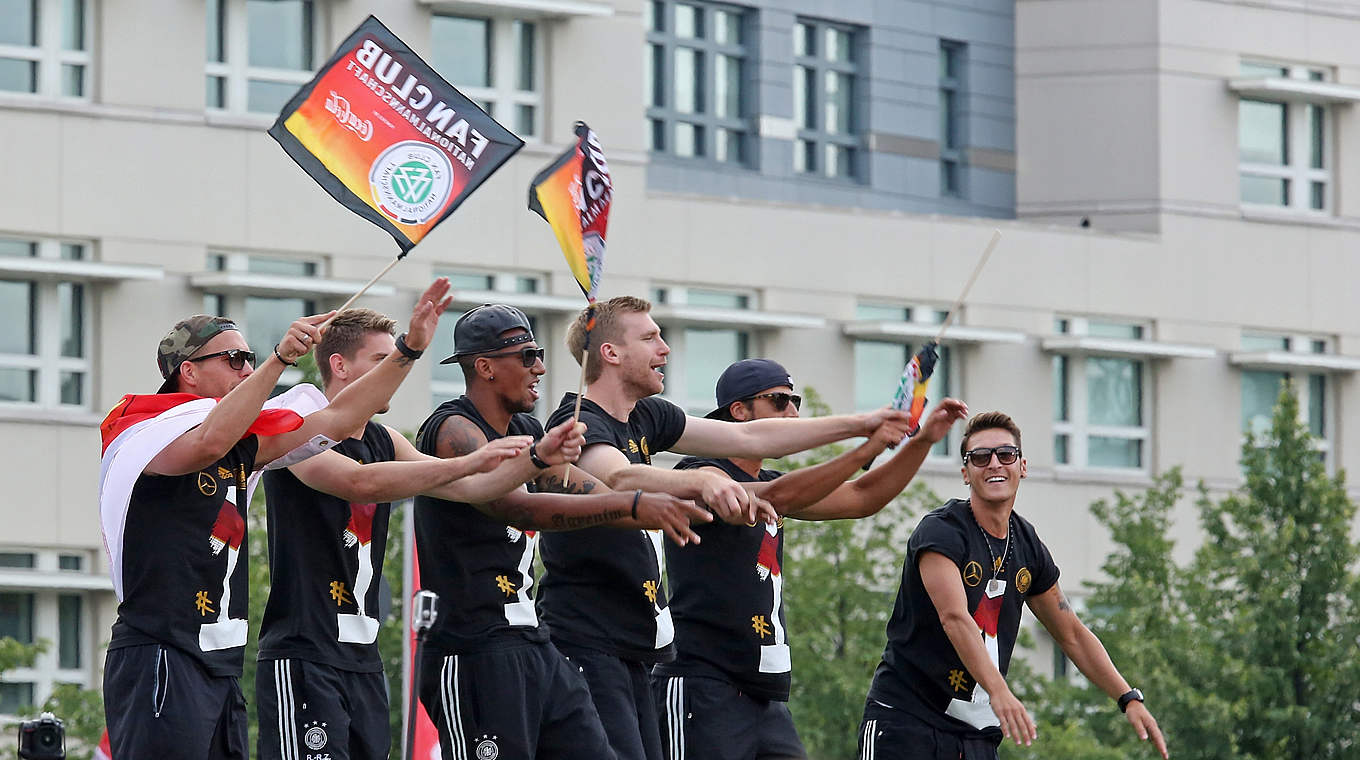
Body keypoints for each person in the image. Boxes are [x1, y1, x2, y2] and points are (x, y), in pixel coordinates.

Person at [541, 296, 917, 760]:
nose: (666, 347)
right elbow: (617, 477)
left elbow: (751, 437)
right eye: (650, 337)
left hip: (638, 649)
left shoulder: (647, 418)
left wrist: (864, 422)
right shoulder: (577, 422)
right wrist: (699, 480)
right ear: (610, 353)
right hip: (592, 645)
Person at [97, 279, 453, 760]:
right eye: (233, 359)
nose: (246, 369)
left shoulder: (248, 443)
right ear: (189, 371)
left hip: (221, 662)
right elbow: (207, 443)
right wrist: (279, 360)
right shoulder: (145, 429)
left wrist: (409, 351)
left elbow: (341, 417)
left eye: (250, 357)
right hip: (163, 650)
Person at [253, 307, 591, 760]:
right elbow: (360, 481)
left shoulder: (387, 438)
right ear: (339, 365)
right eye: (381, 362)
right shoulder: (296, 428)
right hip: (304, 653)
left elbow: (473, 490)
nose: (393, 377)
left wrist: (537, 459)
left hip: (365, 657)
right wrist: (469, 460)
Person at [413, 304, 711, 760]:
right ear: (486, 367)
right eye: (527, 355)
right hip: (472, 647)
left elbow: (582, 492)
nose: (541, 367)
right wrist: (631, 502)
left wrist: (654, 503)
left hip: (531, 639)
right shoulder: (452, 428)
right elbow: (517, 507)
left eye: (539, 353)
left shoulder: (529, 429)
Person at [653, 358, 968, 760]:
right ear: (740, 411)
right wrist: (869, 446)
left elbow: (862, 497)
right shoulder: (702, 475)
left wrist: (922, 440)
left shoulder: (767, 481)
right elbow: (779, 497)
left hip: (765, 698)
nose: (794, 413)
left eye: (795, 401)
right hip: (703, 684)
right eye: (780, 401)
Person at [858, 411, 1169, 760]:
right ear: (965, 473)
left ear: (1022, 466)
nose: (994, 464)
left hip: (976, 734)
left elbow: (1071, 632)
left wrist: (1128, 697)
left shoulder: (1026, 544)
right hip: (906, 720)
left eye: (1005, 455)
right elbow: (954, 619)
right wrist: (999, 691)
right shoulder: (941, 532)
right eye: (980, 457)